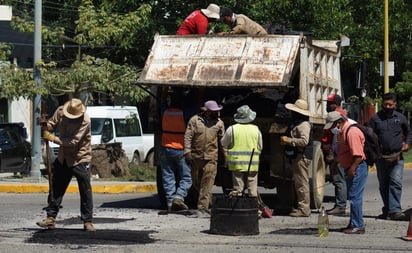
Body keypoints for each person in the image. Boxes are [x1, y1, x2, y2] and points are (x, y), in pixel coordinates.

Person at [37, 98, 95, 232]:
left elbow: (73, 142)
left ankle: (87, 220)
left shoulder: (85, 121)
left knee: (85, 189)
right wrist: (46, 126)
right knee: (56, 187)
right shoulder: (61, 111)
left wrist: (52, 138)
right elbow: (52, 124)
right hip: (63, 157)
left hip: (80, 158)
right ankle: (50, 218)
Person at [369, 93, 412, 220]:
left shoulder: (400, 117)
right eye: (385, 104)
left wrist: (407, 144)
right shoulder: (375, 119)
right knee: (384, 185)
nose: (387, 106)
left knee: (396, 182)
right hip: (381, 157)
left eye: (390, 105)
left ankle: (395, 210)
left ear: (395, 104)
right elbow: (369, 135)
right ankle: (387, 209)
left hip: (397, 156)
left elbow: (409, 132)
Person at [324, 111, 367, 234]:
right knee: (353, 196)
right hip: (350, 167)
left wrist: (352, 169)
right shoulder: (342, 132)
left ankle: (358, 225)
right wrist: (336, 164)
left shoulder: (352, 133)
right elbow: (343, 151)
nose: (331, 129)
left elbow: (358, 156)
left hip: (357, 167)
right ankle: (353, 222)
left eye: (332, 126)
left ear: (338, 123)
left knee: (355, 197)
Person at [184, 100, 225, 215]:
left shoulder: (219, 124)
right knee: (196, 182)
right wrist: (187, 152)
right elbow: (188, 136)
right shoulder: (194, 120)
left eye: (217, 111)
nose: (216, 113)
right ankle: (212, 202)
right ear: (206, 112)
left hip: (211, 158)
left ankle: (202, 208)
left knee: (207, 183)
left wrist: (226, 157)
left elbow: (223, 142)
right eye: (213, 111)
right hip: (196, 158)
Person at [280, 99, 313, 217]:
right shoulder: (298, 123)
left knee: (302, 183)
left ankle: (304, 209)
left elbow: (304, 141)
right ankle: (301, 206)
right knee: (299, 182)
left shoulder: (304, 125)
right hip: (298, 155)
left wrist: (289, 141)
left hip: (301, 156)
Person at [221, 105, 262, 197]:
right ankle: (253, 206)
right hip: (253, 163)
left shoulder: (232, 129)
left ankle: (238, 206)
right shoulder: (256, 129)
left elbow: (223, 143)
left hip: (237, 162)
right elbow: (260, 146)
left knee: (238, 188)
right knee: (252, 187)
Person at [160, 94, 192, 212]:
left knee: (168, 176)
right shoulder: (185, 113)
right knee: (187, 177)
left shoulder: (165, 112)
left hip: (165, 148)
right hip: (180, 149)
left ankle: (169, 202)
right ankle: (179, 197)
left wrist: (164, 92)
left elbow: (162, 103)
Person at [321, 94, 348, 215]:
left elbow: (337, 138)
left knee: (338, 179)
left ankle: (341, 206)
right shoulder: (337, 115)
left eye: (329, 103)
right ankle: (340, 204)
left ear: (336, 104)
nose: (327, 105)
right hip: (337, 152)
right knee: (338, 179)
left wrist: (334, 155)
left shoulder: (338, 117)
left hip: (338, 153)